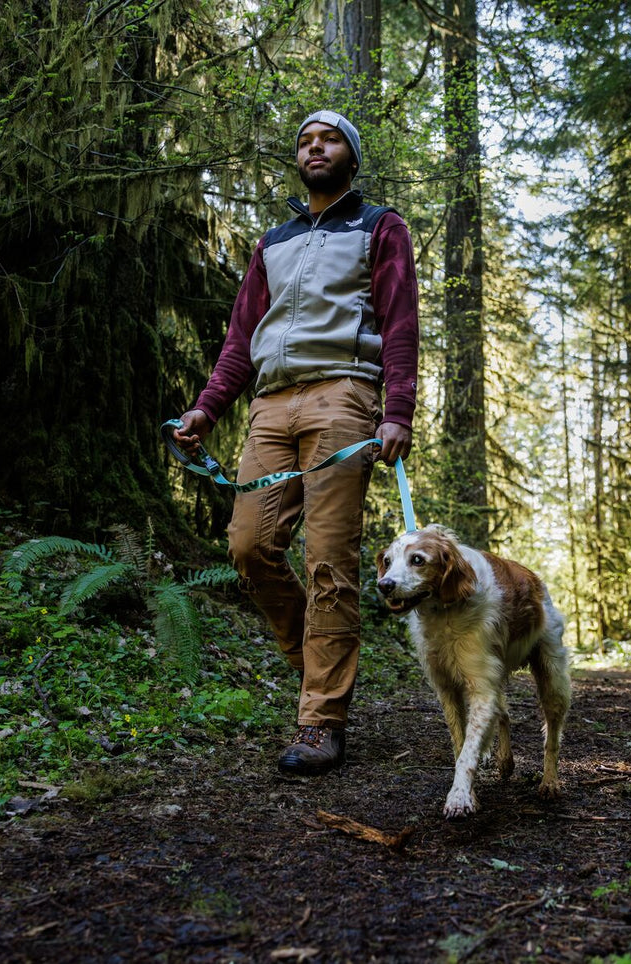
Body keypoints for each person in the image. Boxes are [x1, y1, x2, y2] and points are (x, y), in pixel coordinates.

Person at [171, 110, 420, 775]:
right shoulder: (272, 242)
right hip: (269, 405)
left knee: (329, 561)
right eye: (306, 140)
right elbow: (238, 341)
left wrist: (397, 410)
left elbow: (400, 321)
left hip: (344, 396)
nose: (315, 147)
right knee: (248, 548)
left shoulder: (379, 225)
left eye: (329, 138)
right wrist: (203, 409)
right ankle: (320, 668)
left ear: (351, 156)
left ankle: (320, 720)